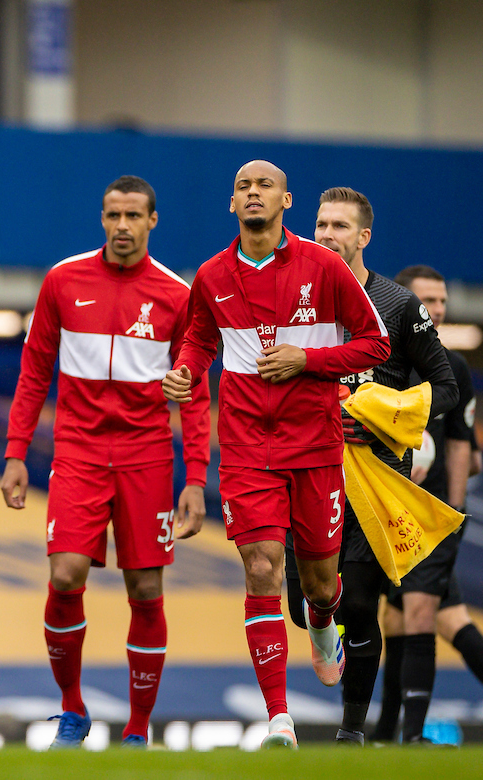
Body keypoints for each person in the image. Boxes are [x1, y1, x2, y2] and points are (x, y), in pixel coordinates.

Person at [162, 161, 390, 748]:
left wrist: (306, 361)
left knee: (318, 583)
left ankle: (321, 625)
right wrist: (187, 370)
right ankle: (279, 721)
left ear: (286, 200)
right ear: (231, 204)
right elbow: (199, 337)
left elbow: (375, 342)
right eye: (243, 186)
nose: (253, 193)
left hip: (315, 445)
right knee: (261, 567)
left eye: (265, 185)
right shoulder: (212, 275)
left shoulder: (326, 268)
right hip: (245, 448)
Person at [0, 176, 211, 748]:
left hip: (145, 457)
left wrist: (195, 478)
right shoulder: (64, 281)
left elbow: (194, 391)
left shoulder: (176, 295)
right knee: (65, 574)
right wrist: (16, 451)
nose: (122, 226)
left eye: (133, 216)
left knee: (145, 589)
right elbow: (34, 371)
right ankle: (72, 709)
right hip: (77, 453)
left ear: (152, 221)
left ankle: (139, 729)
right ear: (102, 219)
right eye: (113, 215)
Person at [302, 191, 458, 745]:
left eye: (339, 226)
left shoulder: (396, 305)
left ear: (364, 237)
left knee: (362, 602)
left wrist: (388, 416)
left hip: (375, 473)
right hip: (305, 469)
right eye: (320, 223)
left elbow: (446, 385)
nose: (326, 234)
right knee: (308, 605)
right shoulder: (295, 298)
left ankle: (351, 730)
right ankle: (320, 625)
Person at [371, 264, 479, 744]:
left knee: (417, 613)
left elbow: (465, 450)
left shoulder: (452, 370)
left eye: (441, 302)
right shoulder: (379, 361)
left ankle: (408, 737)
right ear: (403, 306)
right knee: (402, 620)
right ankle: (385, 733)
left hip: (427, 521)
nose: (435, 310)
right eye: (426, 302)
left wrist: (451, 512)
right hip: (377, 514)